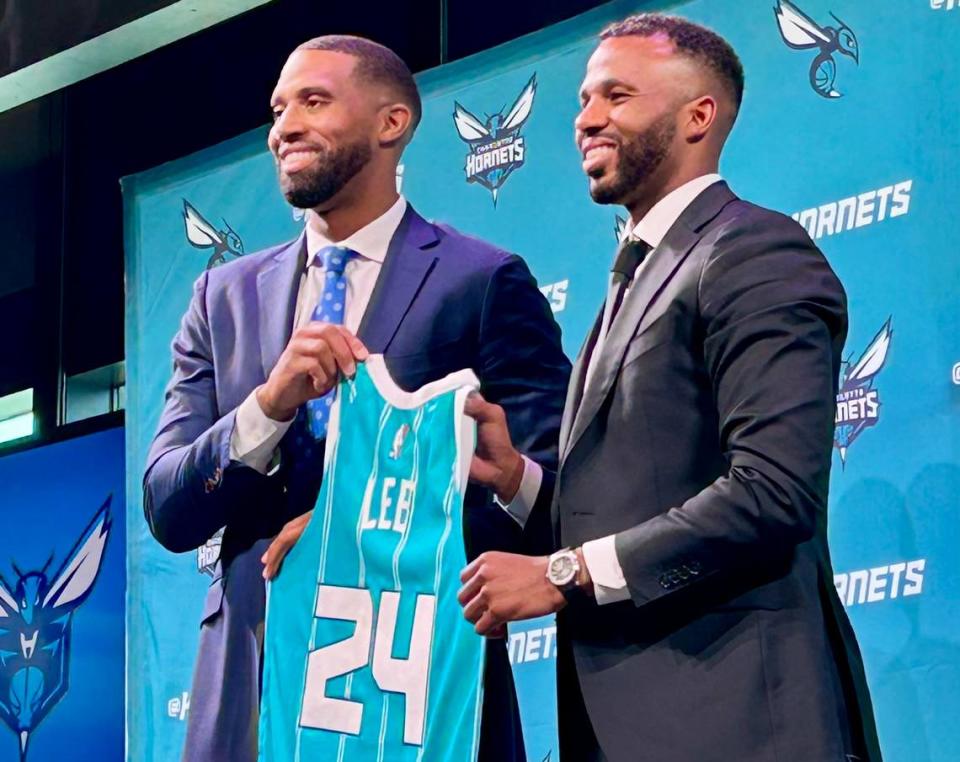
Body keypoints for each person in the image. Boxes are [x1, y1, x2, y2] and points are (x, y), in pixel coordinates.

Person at [457, 14, 882, 762]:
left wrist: (564, 571)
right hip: (628, 724)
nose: (587, 118)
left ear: (699, 115)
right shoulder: (639, 272)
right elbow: (633, 497)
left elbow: (773, 491)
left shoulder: (753, 250)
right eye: (585, 100)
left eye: (616, 96)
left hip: (739, 725)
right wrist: (519, 480)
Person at [143, 35, 570, 762]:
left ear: (391, 122)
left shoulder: (481, 281)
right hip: (251, 686)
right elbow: (168, 506)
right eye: (279, 110)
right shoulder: (221, 298)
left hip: (416, 690)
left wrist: (361, 537)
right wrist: (268, 405)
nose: (285, 127)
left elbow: (553, 496)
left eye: (314, 101)